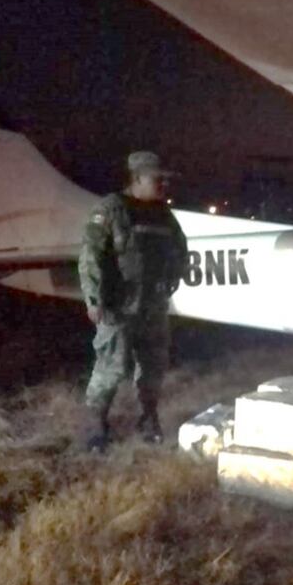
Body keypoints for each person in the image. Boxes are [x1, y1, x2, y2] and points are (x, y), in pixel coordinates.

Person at [77, 151, 188, 452]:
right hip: (119, 306)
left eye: (165, 179)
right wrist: (94, 298)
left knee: (154, 368)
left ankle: (148, 420)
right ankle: (95, 426)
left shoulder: (163, 214)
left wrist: (175, 275)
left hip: (153, 306)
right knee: (111, 369)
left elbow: (179, 247)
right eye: (157, 179)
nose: (163, 184)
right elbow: (91, 257)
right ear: (137, 178)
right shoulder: (112, 209)